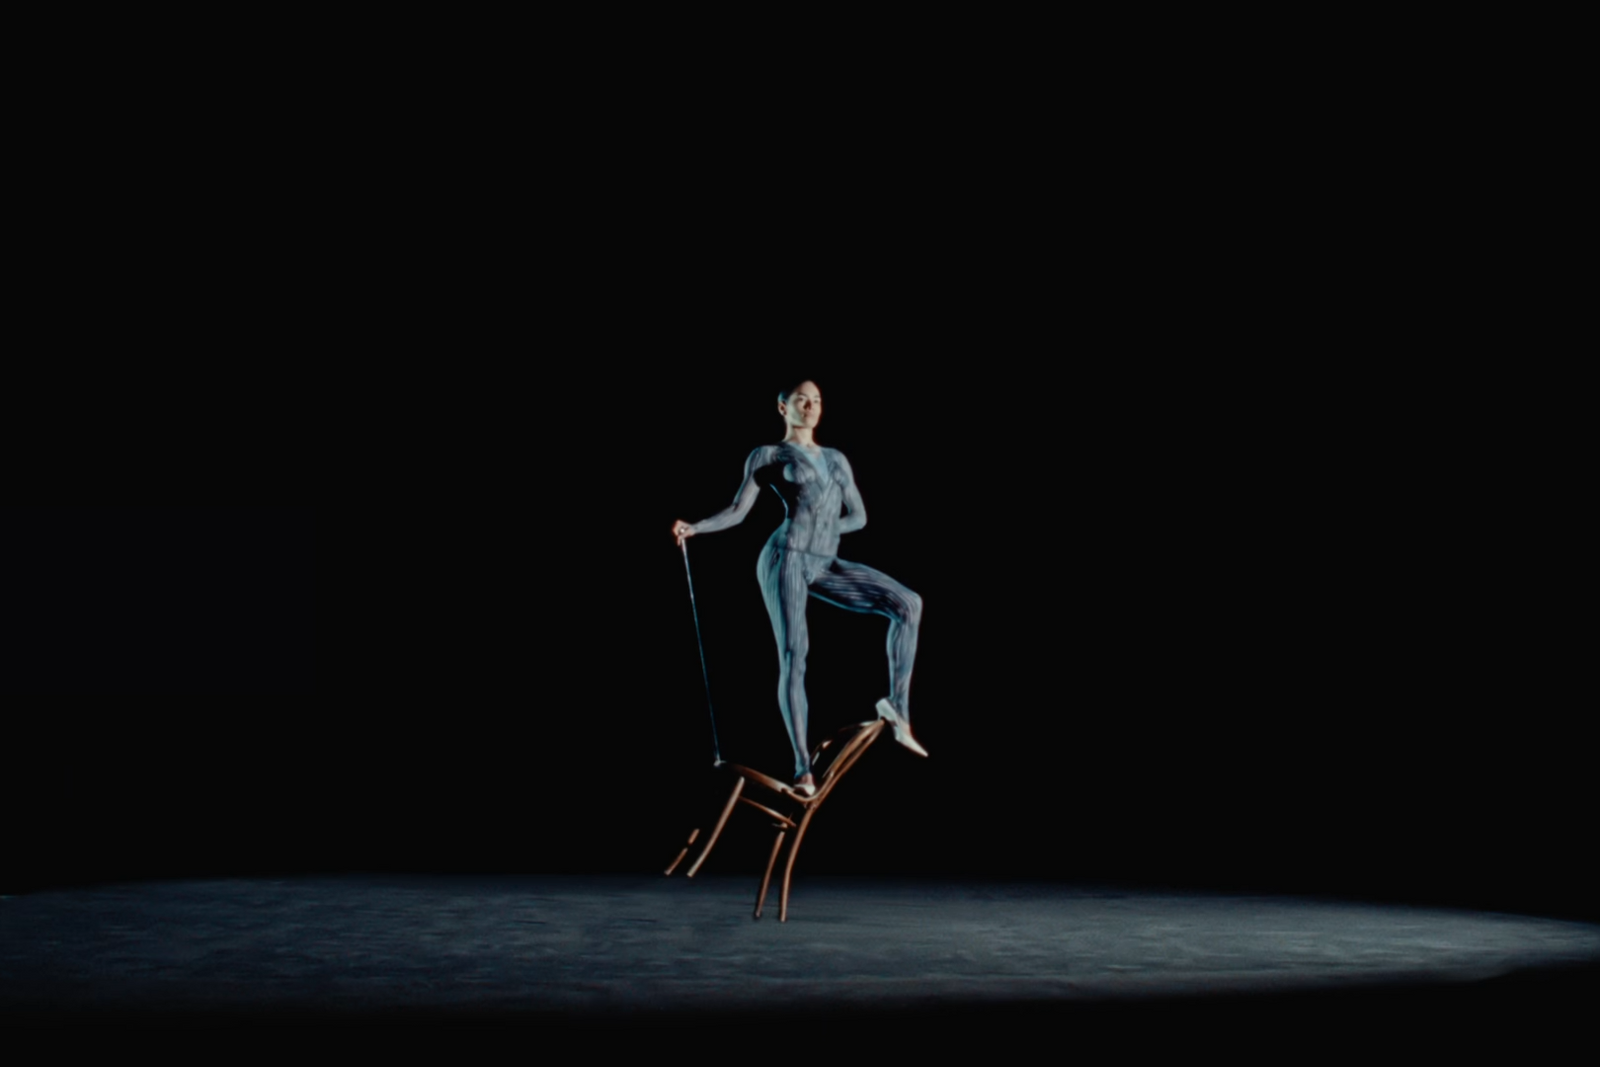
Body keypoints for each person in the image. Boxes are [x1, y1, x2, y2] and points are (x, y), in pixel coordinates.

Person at [672, 381, 925, 797]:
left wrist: (824, 532)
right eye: (801, 400)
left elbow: (858, 516)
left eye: (817, 400)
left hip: (823, 561)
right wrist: (695, 527)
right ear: (783, 407)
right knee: (796, 654)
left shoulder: (837, 459)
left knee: (908, 604)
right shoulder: (768, 455)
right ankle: (802, 769)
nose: (810, 407)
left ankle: (898, 708)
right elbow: (738, 511)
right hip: (784, 557)